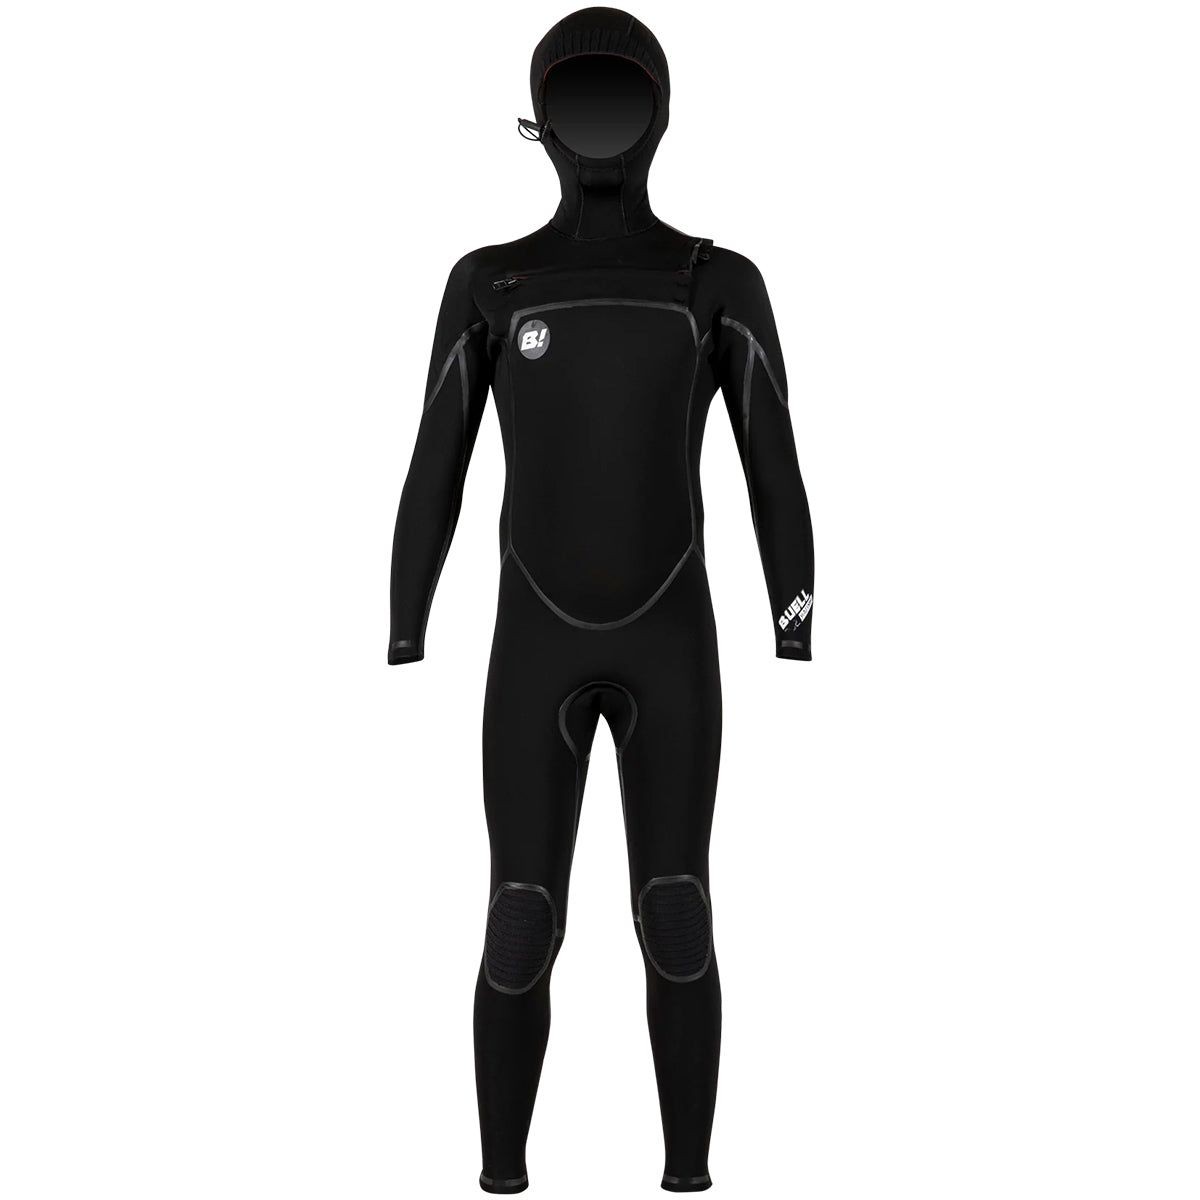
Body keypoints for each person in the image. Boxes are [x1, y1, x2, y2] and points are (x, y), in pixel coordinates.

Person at [388, 7, 815, 1192]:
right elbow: (434, 462)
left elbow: (775, 466)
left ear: (663, 116)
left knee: (675, 913)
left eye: (621, 98)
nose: (601, 124)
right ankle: (502, 1176)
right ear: (539, 122)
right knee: (520, 919)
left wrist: (795, 618)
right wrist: (406, 620)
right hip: (533, 645)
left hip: (673, 642)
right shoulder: (490, 282)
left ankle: (687, 1176)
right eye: (577, 100)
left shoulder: (716, 280)